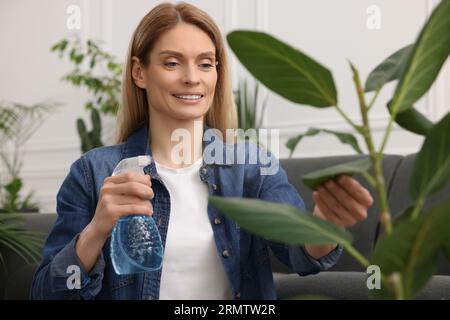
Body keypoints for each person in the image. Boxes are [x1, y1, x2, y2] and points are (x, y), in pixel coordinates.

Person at [31, 2, 373, 300]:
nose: (192, 78)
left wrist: (325, 223)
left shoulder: (251, 168)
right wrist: (97, 229)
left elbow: (301, 254)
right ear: (140, 72)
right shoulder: (93, 173)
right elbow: (48, 293)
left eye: (205, 63)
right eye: (172, 63)